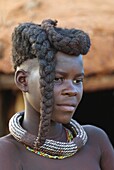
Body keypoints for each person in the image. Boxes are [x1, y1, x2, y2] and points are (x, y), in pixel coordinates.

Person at [0, 19, 114, 170]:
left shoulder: (96, 142)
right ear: (23, 80)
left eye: (78, 80)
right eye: (57, 79)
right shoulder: (7, 153)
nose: (72, 90)